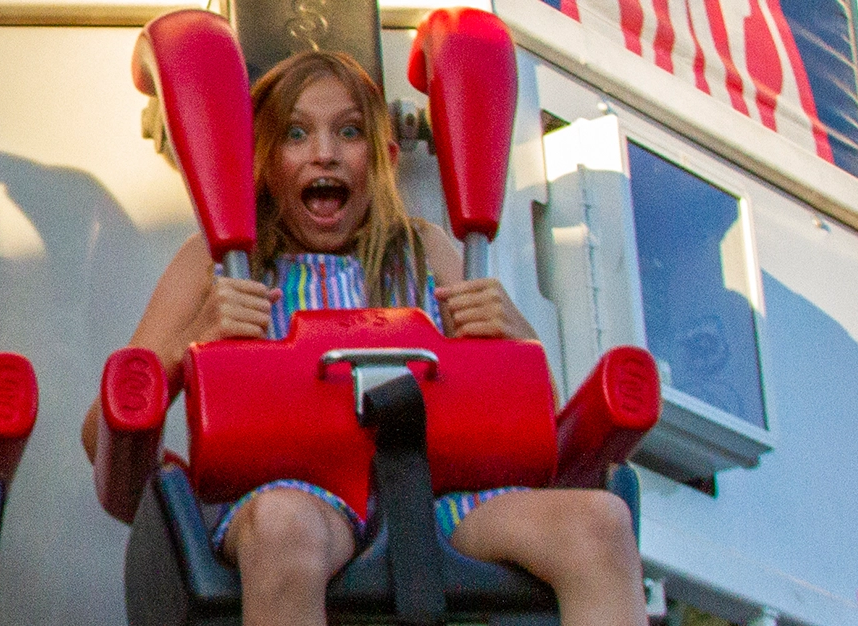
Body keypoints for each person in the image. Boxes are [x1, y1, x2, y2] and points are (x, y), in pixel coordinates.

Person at [83, 51, 644, 626]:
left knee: (601, 522)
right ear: (264, 164)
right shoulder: (221, 261)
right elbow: (101, 434)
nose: (324, 152)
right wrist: (194, 341)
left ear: (383, 160)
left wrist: (516, 337)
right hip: (298, 497)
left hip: (435, 499)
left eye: (348, 132)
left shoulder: (423, 249)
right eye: (295, 134)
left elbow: (534, 432)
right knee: (283, 527)